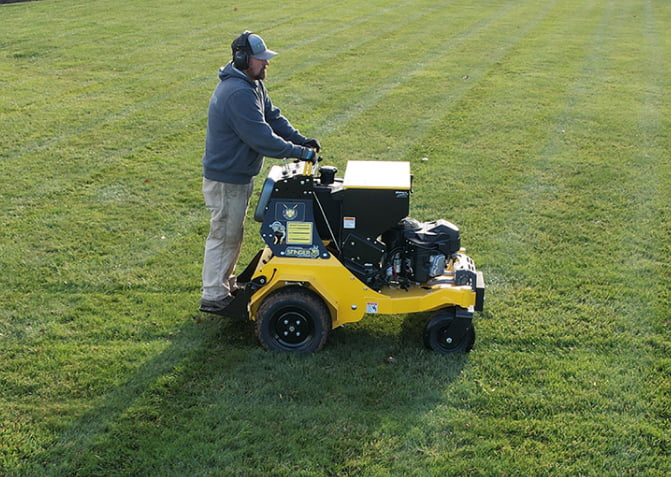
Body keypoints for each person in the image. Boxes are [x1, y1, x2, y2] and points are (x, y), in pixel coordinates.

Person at [199, 30, 320, 314]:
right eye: (260, 59)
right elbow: (261, 137)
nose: (266, 64)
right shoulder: (237, 93)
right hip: (226, 178)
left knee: (232, 232)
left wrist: (301, 139)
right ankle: (213, 294)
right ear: (242, 59)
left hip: (237, 175)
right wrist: (299, 152)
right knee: (224, 233)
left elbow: (272, 116)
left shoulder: (251, 84)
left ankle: (223, 284)